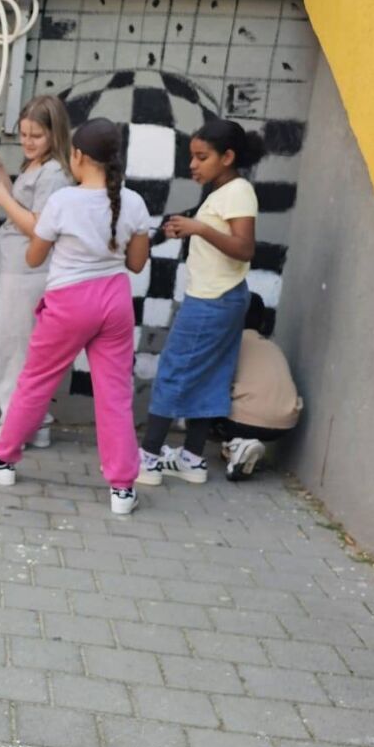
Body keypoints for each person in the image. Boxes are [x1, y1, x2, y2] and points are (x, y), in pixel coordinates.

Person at [0, 118, 152, 516]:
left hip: (69, 301)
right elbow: (137, 263)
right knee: (115, 395)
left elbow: (34, 256)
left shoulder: (64, 201)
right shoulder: (134, 202)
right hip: (115, 300)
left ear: (78, 156)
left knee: (35, 382)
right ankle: (122, 488)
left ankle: (2, 462)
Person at [137, 118, 263, 486]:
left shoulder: (238, 191)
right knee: (211, 376)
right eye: (192, 156)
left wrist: (199, 228)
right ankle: (191, 459)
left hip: (210, 300)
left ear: (228, 157)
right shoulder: (224, 190)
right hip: (224, 297)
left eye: (202, 157)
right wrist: (191, 228)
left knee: (173, 371)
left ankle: (147, 459)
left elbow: (245, 248)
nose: (193, 164)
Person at [0, 95, 74, 450]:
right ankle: (36, 423)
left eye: (36, 136)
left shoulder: (54, 174)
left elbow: (38, 227)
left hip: (29, 271)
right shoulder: (40, 166)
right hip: (22, 268)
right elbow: (23, 206)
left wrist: (3, 198)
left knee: (13, 349)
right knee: (22, 348)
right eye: (24, 134)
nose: (28, 142)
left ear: (55, 134)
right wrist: (2, 171)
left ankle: (12, 428)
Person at [212, 293, 302, 481]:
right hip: (286, 424)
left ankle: (237, 444)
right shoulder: (273, 347)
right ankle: (239, 449)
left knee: (206, 397)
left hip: (247, 421)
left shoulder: (230, 343)